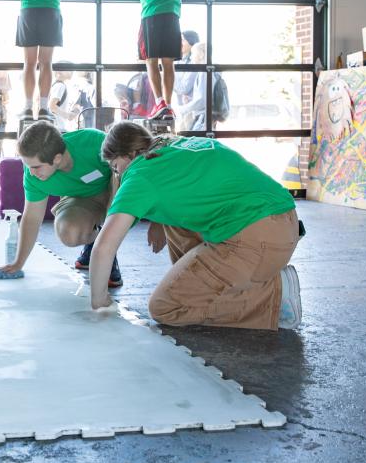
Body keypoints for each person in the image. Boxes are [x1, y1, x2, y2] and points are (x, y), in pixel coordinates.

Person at [89, 121, 303, 332]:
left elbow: (103, 248)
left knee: (165, 307)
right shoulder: (175, 144)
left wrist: (100, 302)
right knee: (175, 223)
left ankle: (274, 296)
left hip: (256, 240)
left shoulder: (139, 175)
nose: (117, 174)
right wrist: (157, 219)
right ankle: (208, 284)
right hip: (283, 222)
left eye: (115, 166)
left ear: (128, 155)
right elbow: (185, 186)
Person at [0, 120, 123, 288]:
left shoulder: (93, 142)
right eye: (27, 165)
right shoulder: (32, 176)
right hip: (81, 200)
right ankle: (95, 240)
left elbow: (130, 167)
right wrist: (18, 263)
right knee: (69, 233)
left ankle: (107, 251)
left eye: (36, 166)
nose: (31, 172)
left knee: (119, 180)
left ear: (57, 158)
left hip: (115, 191)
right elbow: (31, 219)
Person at [113, 0, 189, 122]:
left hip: (151, 15)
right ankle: (168, 106)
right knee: (168, 63)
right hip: (171, 15)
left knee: (151, 61)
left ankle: (159, 102)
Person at [6, 0, 79, 121]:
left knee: (29, 63)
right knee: (46, 63)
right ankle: (45, 108)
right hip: (50, 12)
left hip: (29, 11)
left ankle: (29, 107)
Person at [176, 42, 230, 130]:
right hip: (207, 117)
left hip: (203, 118)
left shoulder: (204, 73)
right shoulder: (212, 71)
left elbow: (202, 101)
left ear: (201, 54)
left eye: (193, 53)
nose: (191, 57)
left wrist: (183, 109)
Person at [173, 30, 200, 106]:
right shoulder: (176, 61)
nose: (179, 43)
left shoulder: (195, 62)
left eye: (183, 40)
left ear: (191, 43)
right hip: (179, 106)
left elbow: (184, 89)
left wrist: (167, 78)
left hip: (190, 107)